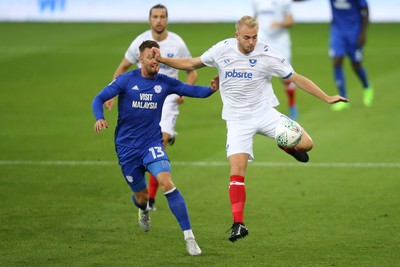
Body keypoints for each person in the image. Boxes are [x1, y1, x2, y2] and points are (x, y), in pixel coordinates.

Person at [152, 16, 348, 242]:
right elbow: (191, 63)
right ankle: (238, 223)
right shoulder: (222, 50)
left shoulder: (268, 54)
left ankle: (286, 145)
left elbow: (297, 78)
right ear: (237, 35)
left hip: (265, 114)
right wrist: (163, 59)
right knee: (236, 171)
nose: (251, 42)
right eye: (246, 37)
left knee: (307, 144)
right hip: (237, 121)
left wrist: (326, 98)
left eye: (254, 37)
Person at [92, 40, 219, 255]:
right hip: (127, 148)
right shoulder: (125, 80)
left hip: (152, 143)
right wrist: (99, 117)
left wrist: (211, 89)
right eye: (151, 56)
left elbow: (191, 90)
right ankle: (143, 210)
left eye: (157, 56)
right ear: (140, 59)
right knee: (141, 197)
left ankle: (189, 238)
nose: (155, 61)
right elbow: (99, 97)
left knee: (166, 182)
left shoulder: (165, 82)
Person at [106, 4, 198, 210]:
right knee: (151, 147)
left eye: (162, 17)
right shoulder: (140, 42)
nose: (159, 20)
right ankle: (145, 198)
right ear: (150, 19)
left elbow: (191, 71)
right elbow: (123, 68)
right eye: (155, 16)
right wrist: (111, 92)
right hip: (143, 101)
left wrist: (185, 90)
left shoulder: (177, 43)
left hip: (168, 100)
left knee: (161, 141)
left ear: (167, 19)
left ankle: (152, 198)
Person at [294, 0, 373, 111]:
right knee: (337, 61)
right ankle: (343, 97)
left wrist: (363, 33)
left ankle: (366, 87)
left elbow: (365, 11)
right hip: (338, 32)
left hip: (354, 32)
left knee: (356, 65)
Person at [253, 0, 298, 119]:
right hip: (262, 39)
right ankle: (259, 108)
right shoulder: (257, 1)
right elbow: (255, 18)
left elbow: (290, 21)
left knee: (286, 76)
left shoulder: (284, 2)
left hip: (280, 41)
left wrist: (279, 24)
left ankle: (292, 105)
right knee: (257, 72)